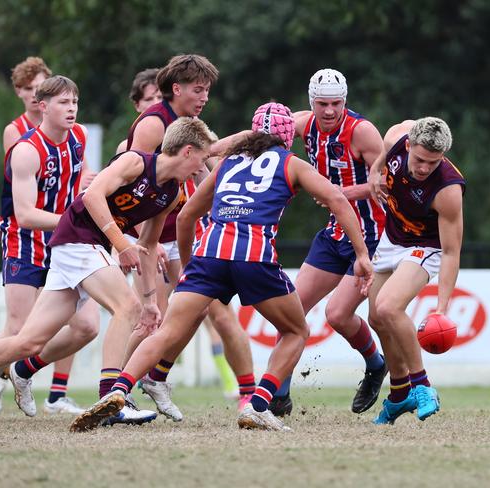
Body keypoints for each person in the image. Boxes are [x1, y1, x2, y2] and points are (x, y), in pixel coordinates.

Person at [70, 102, 373, 433]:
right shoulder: (293, 164)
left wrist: (188, 267)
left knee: (169, 331)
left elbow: (186, 217)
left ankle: (119, 389)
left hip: (209, 256)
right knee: (295, 331)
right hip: (254, 256)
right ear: (288, 137)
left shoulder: (227, 163)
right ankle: (258, 405)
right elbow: (338, 201)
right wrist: (361, 254)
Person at [0, 116, 215, 430]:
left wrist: (152, 298)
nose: (201, 168)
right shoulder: (135, 162)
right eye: (203, 159)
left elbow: (149, 246)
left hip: (81, 246)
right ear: (187, 151)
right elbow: (92, 196)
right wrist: (120, 243)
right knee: (127, 307)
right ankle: (110, 398)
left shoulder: (172, 192)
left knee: (27, 343)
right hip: (78, 237)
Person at [123, 54, 255, 419]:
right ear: (176, 88)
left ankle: (246, 394)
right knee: (153, 319)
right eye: (199, 89)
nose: (204, 97)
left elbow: (206, 174)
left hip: (183, 234)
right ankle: (118, 389)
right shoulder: (153, 125)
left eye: (208, 90)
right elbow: (131, 181)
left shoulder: (190, 123)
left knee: (211, 314)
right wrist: (141, 240)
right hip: (152, 237)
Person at [0, 58, 89, 421]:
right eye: (52, 97)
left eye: (73, 101)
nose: (68, 107)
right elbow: (26, 210)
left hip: (63, 236)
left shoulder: (77, 136)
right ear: (32, 98)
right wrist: (74, 218)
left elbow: (73, 182)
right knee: (18, 327)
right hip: (25, 235)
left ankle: (27, 374)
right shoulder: (21, 139)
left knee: (85, 326)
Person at [269, 68, 388, 417]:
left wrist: (340, 194)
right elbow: (265, 129)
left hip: (368, 236)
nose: (330, 111)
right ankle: (280, 394)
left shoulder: (362, 132)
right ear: (312, 103)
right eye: (323, 104)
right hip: (334, 232)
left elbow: (386, 184)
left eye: (336, 103)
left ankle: (375, 363)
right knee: (290, 312)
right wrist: (216, 148)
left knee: (338, 315)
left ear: (345, 101)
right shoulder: (303, 124)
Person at [367, 117, 465, 424]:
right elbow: (389, 143)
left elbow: (451, 252)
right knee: (376, 317)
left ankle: (423, 386)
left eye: (432, 163)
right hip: (392, 237)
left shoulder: (448, 189)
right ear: (409, 145)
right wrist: (374, 170)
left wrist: (442, 308)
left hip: (425, 247)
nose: (424, 168)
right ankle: (399, 395)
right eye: (420, 160)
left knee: (388, 307)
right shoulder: (397, 137)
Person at [116, 68, 163, 154]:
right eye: (149, 99)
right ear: (137, 105)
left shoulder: (184, 140)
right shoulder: (126, 147)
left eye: (160, 97)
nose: (156, 103)